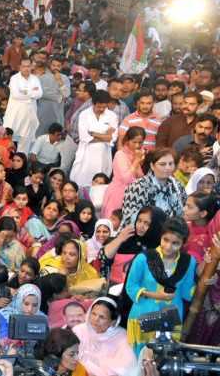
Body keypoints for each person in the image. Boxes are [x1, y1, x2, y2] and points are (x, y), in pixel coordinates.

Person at [125, 217, 196, 354]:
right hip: (143, 314)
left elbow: (186, 292)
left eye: (175, 243)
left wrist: (205, 283)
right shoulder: (144, 258)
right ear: (160, 237)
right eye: (166, 240)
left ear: (183, 244)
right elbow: (131, 287)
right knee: (141, 358)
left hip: (170, 318)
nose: (168, 246)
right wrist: (156, 295)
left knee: (165, 360)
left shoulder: (188, 262)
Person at [119, 148, 186, 228]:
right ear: (152, 166)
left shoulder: (177, 185)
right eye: (162, 164)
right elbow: (130, 219)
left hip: (170, 233)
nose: (168, 168)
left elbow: (183, 211)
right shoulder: (138, 186)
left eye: (171, 164)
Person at [72, 298, 135, 376]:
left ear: (113, 322)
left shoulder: (121, 336)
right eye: (93, 314)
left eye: (102, 317)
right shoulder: (78, 330)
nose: (96, 319)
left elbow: (126, 369)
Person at [70, 90, 118, 188]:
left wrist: (94, 134)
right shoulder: (84, 114)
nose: (101, 109)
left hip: (103, 155)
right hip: (86, 154)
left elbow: (112, 137)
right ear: (93, 103)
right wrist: (104, 136)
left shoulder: (112, 116)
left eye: (104, 107)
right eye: (99, 106)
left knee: (100, 185)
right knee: (81, 182)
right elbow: (84, 137)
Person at [101, 126, 145, 218]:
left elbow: (141, 177)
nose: (137, 145)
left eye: (140, 142)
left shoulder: (136, 155)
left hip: (133, 196)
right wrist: (136, 161)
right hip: (118, 195)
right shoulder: (120, 155)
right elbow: (127, 179)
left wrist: (138, 161)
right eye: (134, 142)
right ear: (127, 141)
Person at [4, 59, 42, 153]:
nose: (26, 68)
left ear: (31, 67)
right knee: (9, 141)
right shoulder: (14, 79)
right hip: (15, 115)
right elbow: (16, 94)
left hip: (29, 115)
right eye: (24, 66)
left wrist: (24, 91)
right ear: (20, 67)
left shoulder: (35, 79)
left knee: (25, 143)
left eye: (28, 66)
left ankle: (22, 164)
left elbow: (39, 94)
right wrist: (31, 92)